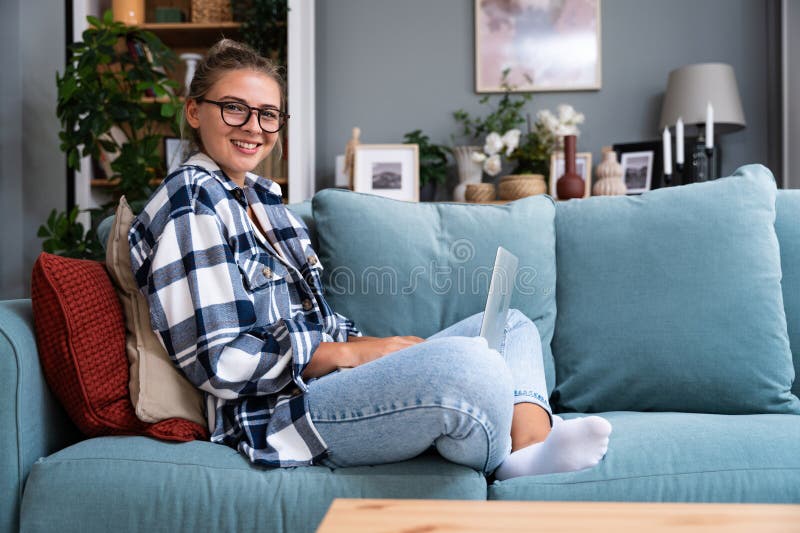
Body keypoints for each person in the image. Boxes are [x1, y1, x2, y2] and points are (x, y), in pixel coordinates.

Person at [129, 39, 611, 478]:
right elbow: (222, 359)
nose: (254, 128)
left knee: (511, 326)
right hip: (277, 412)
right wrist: (350, 353)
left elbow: (319, 320)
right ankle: (513, 456)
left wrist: (384, 352)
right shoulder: (190, 202)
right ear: (194, 111)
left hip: (335, 383)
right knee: (470, 367)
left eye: (268, 114)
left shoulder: (264, 201)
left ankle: (529, 452)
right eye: (235, 109)